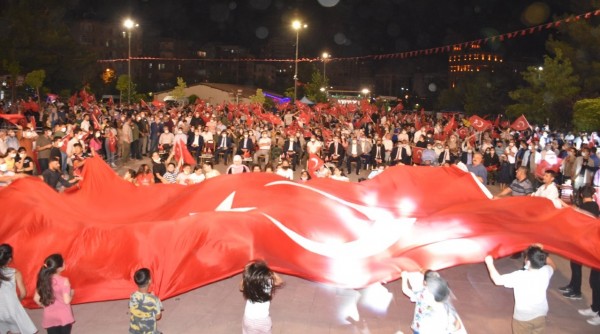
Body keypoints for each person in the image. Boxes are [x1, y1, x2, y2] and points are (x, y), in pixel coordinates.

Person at [484, 244, 556, 334]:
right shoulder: (545, 272)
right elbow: (552, 265)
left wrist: (489, 263)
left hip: (523, 318)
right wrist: (540, 252)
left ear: (528, 262)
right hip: (541, 315)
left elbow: (497, 280)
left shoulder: (520, 276)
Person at [558, 186, 600, 307]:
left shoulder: (590, 206)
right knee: (574, 265)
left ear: (582, 194)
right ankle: (572, 286)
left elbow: (576, 212)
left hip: (583, 240)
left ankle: (576, 290)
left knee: (576, 266)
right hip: (582, 239)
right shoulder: (593, 206)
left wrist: (563, 204)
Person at [401, 270, 466, 334]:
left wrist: (404, 277)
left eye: (427, 290)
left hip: (420, 329)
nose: (424, 292)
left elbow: (406, 290)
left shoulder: (422, 296)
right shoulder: (446, 309)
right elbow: (457, 325)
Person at [0, 244, 37, 334]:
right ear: (9, 259)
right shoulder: (15, 272)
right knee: (17, 328)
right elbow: (23, 293)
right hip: (11, 308)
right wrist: (18, 300)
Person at [34, 254, 75, 334]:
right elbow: (66, 301)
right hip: (63, 315)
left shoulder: (42, 279)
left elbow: (36, 298)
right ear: (59, 268)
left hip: (49, 315)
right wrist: (72, 294)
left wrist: (45, 305)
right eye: (64, 262)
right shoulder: (64, 280)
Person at [240, 260, 283, 334]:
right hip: (263, 320)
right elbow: (279, 281)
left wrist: (247, 274)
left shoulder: (249, 284)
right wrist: (269, 271)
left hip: (248, 318)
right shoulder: (269, 282)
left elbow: (241, 287)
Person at [129, 268, 163, 334]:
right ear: (149, 281)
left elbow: (132, 310)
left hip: (134, 330)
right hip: (149, 331)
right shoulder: (154, 299)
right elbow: (158, 317)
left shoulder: (132, 296)